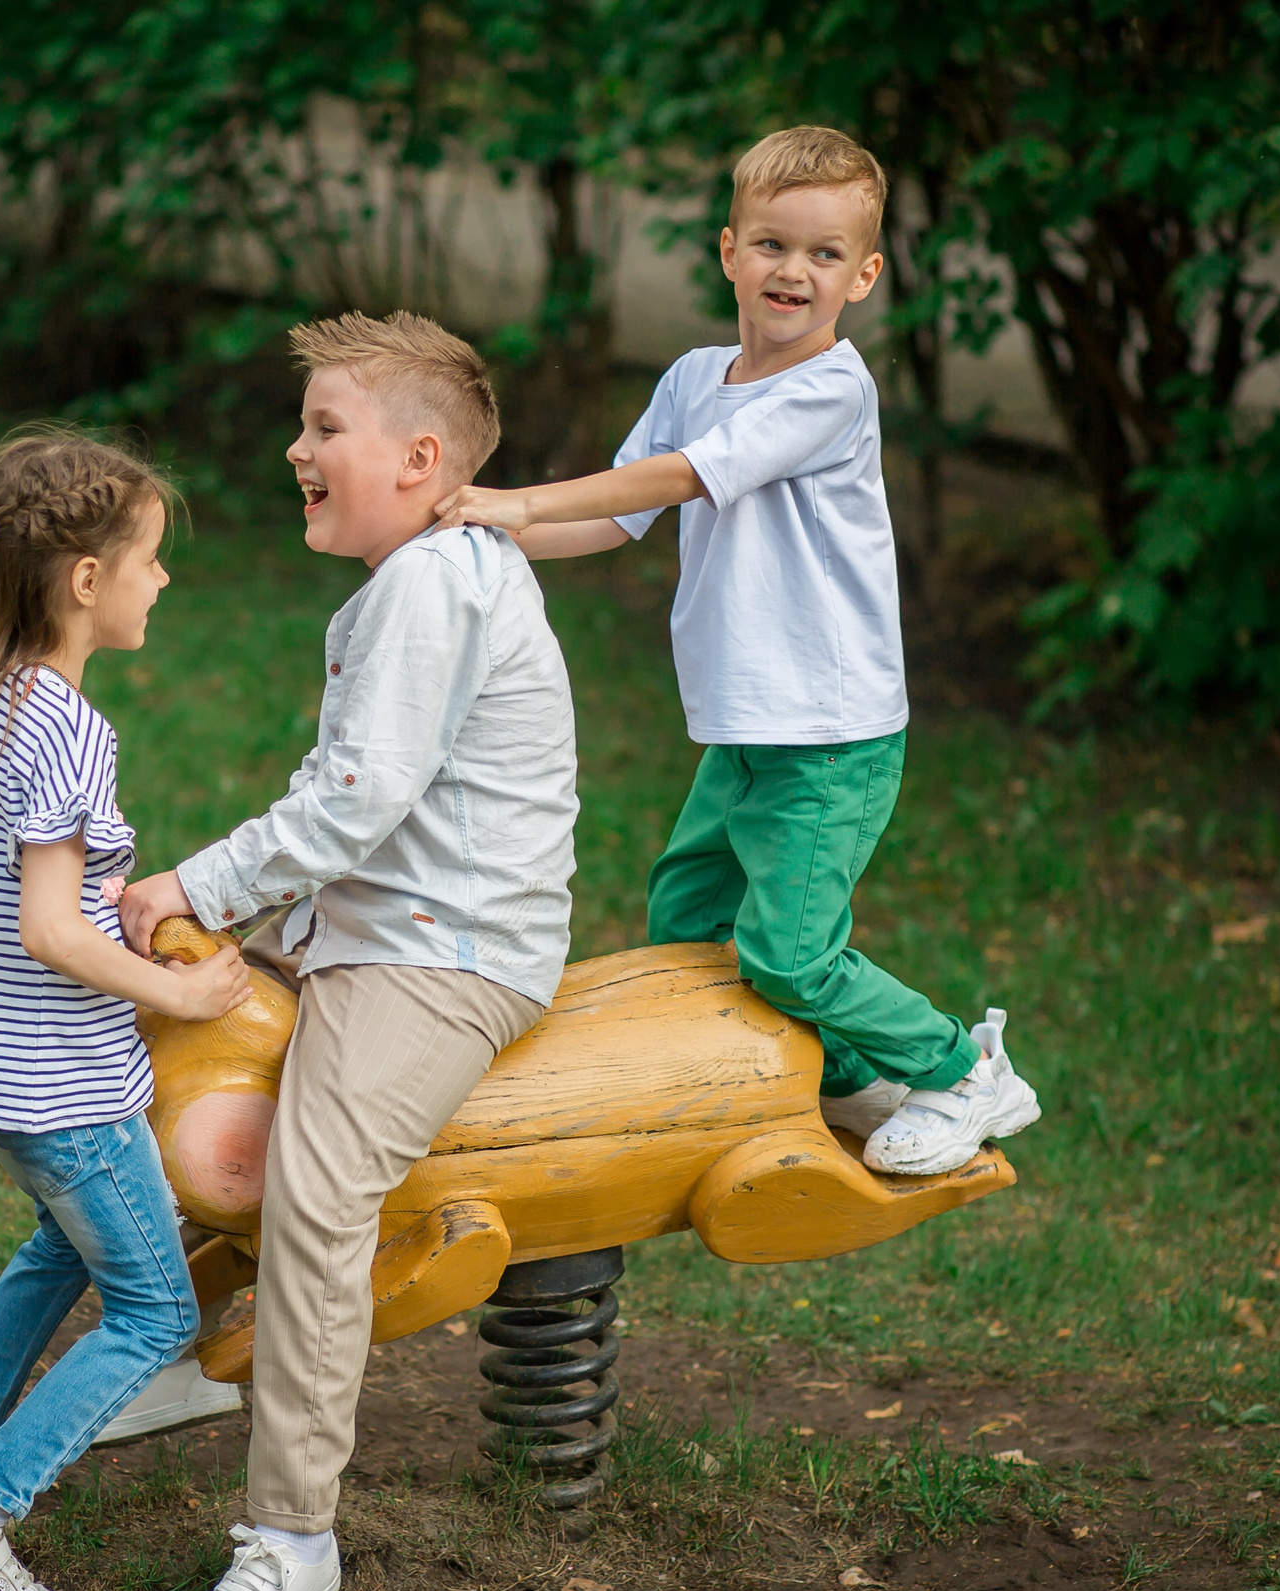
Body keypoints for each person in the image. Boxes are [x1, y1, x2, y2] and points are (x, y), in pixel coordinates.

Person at [431, 126, 1040, 1177]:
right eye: (771, 244)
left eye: (823, 253)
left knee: (790, 953)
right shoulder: (692, 377)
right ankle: (842, 1078)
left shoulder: (831, 390)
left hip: (830, 734)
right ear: (728, 252)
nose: (793, 270)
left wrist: (519, 498)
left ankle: (960, 1070)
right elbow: (616, 516)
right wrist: (480, 533)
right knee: (686, 920)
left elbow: (682, 478)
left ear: (864, 275)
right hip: (745, 724)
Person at [116, 311, 579, 1591]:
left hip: (444, 958)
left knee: (319, 1188)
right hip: (373, 929)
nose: (295, 448)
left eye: (325, 427)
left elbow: (356, 800)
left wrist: (197, 886)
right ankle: (185, 1351)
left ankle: (292, 1538)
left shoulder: (434, 584)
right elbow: (365, 803)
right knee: (172, 1078)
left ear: (419, 459)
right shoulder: (424, 574)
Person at [0, 429, 253, 1591]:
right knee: (155, 1315)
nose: (163, 579)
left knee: (60, 1249)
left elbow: (24, 897)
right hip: (63, 1083)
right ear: (87, 580)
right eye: (150, 559)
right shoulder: (67, 729)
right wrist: (178, 996)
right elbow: (47, 928)